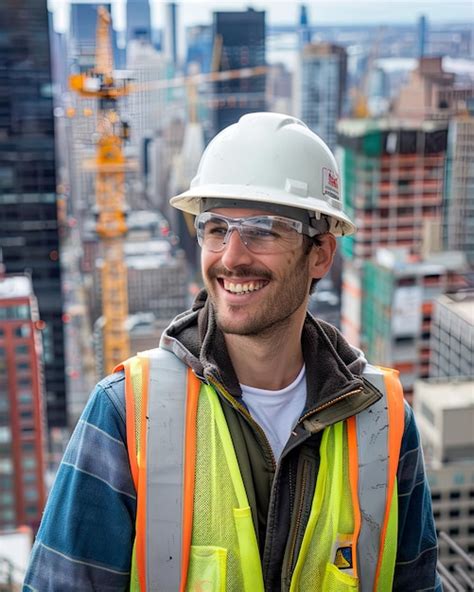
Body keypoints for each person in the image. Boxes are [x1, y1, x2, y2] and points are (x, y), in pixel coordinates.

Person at [24, 112, 442, 592]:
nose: (231, 256)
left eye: (263, 229)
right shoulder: (126, 413)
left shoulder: (384, 422)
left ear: (321, 253)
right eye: (216, 227)